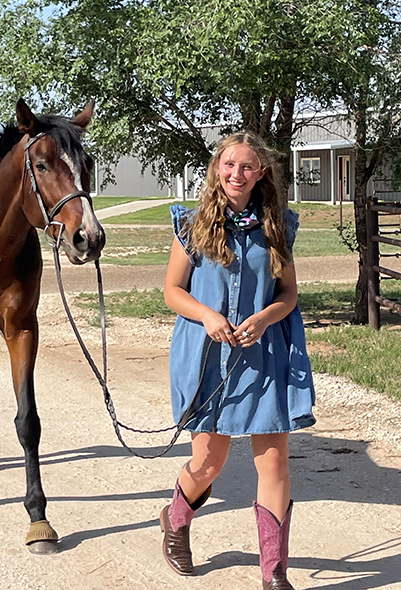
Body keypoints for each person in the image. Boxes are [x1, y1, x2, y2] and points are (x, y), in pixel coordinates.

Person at [160, 132, 315, 590]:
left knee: (275, 463)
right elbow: (172, 290)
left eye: (247, 167)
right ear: (217, 167)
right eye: (229, 164)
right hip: (208, 356)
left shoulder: (277, 227)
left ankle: (275, 572)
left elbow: (288, 294)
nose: (236, 174)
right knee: (210, 463)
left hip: (264, 355)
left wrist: (267, 317)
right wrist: (208, 315)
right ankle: (175, 519)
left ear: (261, 173)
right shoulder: (192, 225)